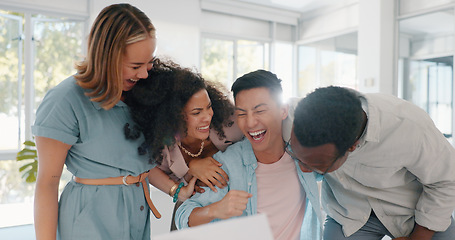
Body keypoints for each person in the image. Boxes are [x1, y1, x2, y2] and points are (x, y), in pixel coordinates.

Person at [32, 4, 164, 240]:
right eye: (135, 66)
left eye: (149, 63)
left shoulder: (140, 93)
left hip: (137, 214)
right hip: (89, 221)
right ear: (107, 58)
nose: (144, 73)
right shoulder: (65, 100)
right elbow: (47, 185)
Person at [288, 86, 455, 240]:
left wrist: (418, 237)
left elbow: (446, 181)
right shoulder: (288, 116)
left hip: (413, 212)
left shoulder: (409, 127)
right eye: (296, 156)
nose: (303, 169)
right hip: (348, 212)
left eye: (316, 165)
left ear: (352, 146)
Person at [175, 70, 322, 240]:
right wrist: (216, 209)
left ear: (283, 111)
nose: (251, 123)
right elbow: (182, 217)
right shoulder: (228, 164)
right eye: (242, 114)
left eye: (259, 111)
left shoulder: (304, 154)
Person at [124, 58, 244, 230]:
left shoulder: (231, 122)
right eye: (197, 112)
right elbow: (146, 169)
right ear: (172, 116)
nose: (207, 116)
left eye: (209, 107)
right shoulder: (161, 146)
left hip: (235, 206)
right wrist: (181, 184)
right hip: (192, 209)